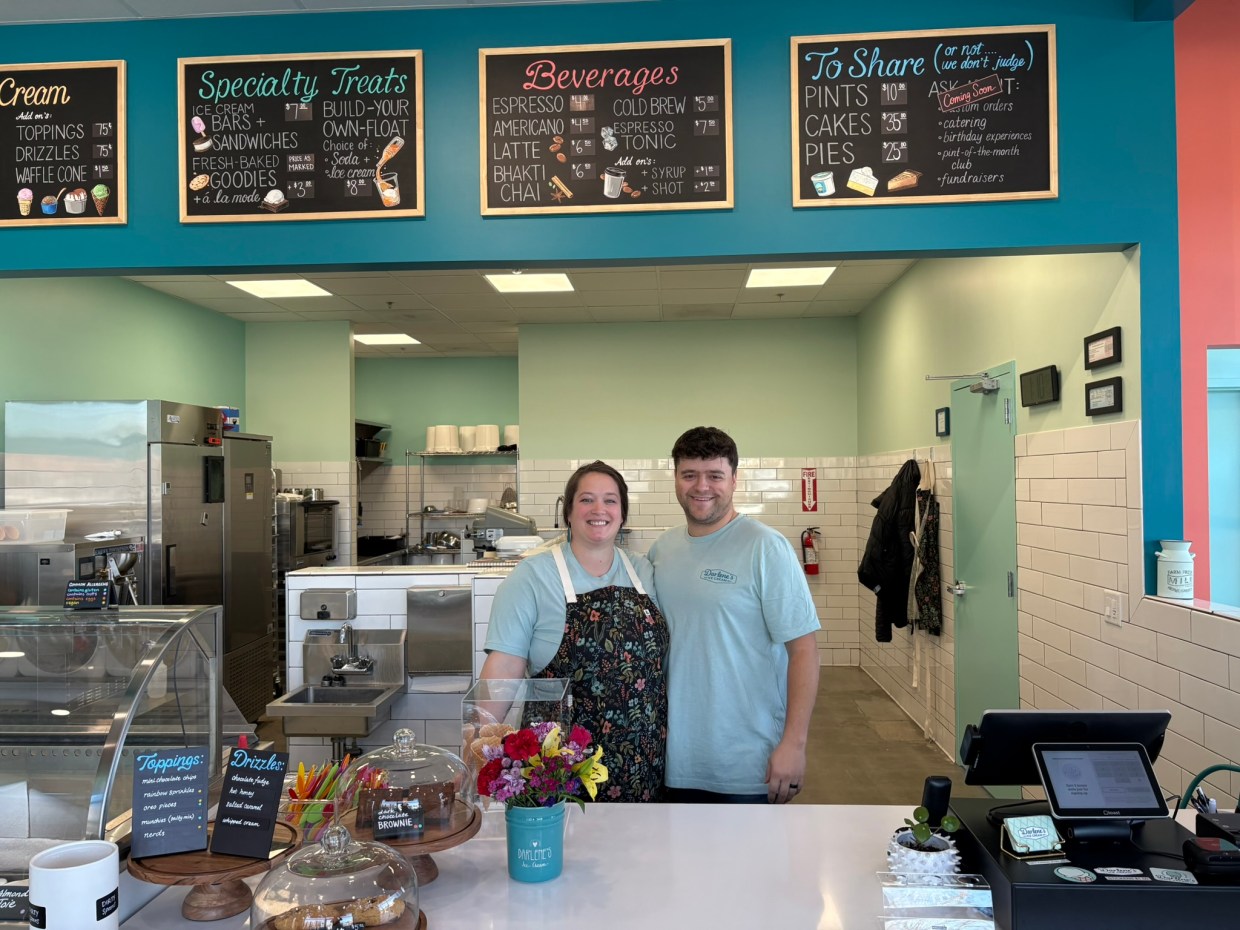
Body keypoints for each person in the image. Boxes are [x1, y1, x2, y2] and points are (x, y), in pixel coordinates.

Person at [649, 426, 820, 804]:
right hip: (674, 756)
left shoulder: (765, 548)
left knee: (750, 863)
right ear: (675, 478)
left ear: (734, 479)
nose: (701, 486)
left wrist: (794, 743)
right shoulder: (662, 550)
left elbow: (803, 651)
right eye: (689, 474)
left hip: (745, 760)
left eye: (715, 475)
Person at [480, 460, 668, 801]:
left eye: (610, 500)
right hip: (560, 769)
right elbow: (503, 671)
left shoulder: (643, 571)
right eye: (586, 500)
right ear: (568, 512)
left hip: (643, 763)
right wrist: (480, 750)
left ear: (623, 514)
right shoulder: (532, 576)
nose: (599, 509)